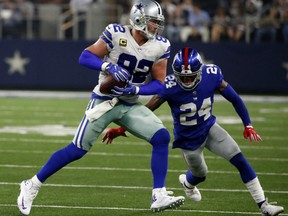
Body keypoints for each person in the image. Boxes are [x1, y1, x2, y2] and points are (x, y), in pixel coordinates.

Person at [17, 0, 185, 215]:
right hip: (105, 101)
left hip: (130, 103)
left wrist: (135, 91)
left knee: (161, 137)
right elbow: (85, 56)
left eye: (157, 22)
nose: (156, 26)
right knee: (77, 150)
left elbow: (159, 84)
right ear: (138, 20)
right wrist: (109, 66)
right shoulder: (115, 33)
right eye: (152, 22)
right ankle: (32, 184)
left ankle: (158, 194)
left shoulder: (161, 45)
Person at [103, 48, 285, 216]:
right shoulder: (170, 85)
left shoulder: (211, 75)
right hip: (188, 141)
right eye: (183, 77)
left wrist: (248, 124)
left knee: (239, 159)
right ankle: (188, 182)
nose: (187, 80)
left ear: (200, 71)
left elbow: (235, 98)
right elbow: (146, 111)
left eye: (191, 77)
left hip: (210, 128)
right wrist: (121, 129)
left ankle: (264, 206)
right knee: (200, 174)